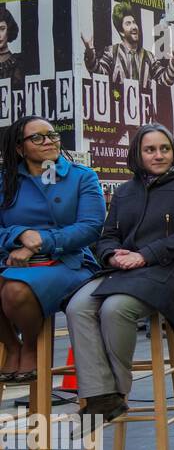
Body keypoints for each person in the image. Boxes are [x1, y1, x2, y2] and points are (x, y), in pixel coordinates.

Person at [65, 125, 174, 423]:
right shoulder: (126, 191)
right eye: (150, 150)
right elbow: (108, 235)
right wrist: (112, 254)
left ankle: (115, 391)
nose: (158, 155)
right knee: (77, 307)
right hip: (123, 270)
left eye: (164, 149)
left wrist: (145, 255)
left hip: (172, 269)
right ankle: (102, 394)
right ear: (137, 154)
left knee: (116, 309)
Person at [0, 116, 105, 384]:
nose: (48, 141)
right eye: (38, 137)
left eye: (52, 135)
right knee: (10, 282)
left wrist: (42, 242)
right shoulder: (6, 181)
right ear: (19, 149)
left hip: (69, 264)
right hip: (13, 261)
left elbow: (90, 228)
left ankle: (30, 346)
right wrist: (21, 235)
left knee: (15, 289)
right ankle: (12, 346)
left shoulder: (82, 177)